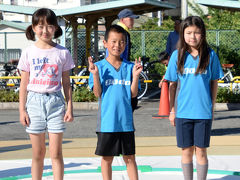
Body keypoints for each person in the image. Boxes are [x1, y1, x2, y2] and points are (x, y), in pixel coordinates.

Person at [18, 8, 75, 180]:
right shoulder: (28, 52)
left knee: (56, 153)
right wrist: (22, 110)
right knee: (38, 153)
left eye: (50, 26)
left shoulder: (63, 52)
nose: (45, 30)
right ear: (34, 27)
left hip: (56, 102)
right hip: (34, 102)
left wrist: (70, 107)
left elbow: (66, 83)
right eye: (41, 26)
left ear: (56, 28)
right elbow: (23, 84)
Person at [164, 16, 224, 180]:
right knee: (186, 151)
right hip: (183, 113)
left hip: (203, 113)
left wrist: (211, 107)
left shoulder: (210, 55)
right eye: (189, 32)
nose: (192, 36)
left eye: (197, 32)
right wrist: (172, 110)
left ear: (203, 34)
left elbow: (214, 83)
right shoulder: (177, 56)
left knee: (201, 151)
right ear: (182, 34)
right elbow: (172, 85)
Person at [88, 24, 142, 180]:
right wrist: (96, 75)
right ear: (105, 43)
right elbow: (97, 93)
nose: (117, 45)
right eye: (113, 41)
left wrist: (136, 76)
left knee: (130, 158)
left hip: (125, 122)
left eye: (121, 42)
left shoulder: (130, 67)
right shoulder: (98, 67)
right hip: (107, 123)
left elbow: (133, 94)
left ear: (125, 44)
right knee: (106, 159)